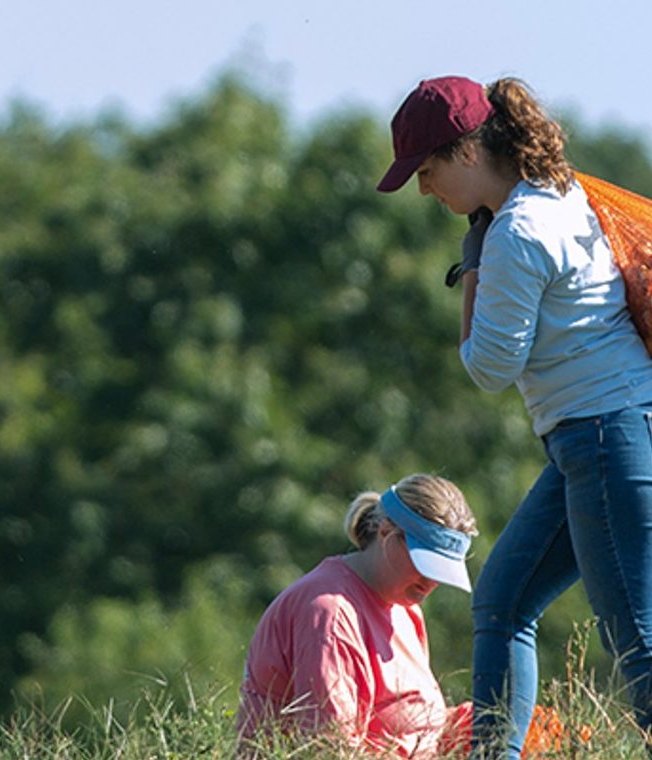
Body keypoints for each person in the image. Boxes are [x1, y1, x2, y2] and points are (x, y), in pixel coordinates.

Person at [378, 75, 652, 758]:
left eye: (427, 169)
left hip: (603, 435)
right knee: (500, 603)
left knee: (639, 642)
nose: (423, 188)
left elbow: (488, 368)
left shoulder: (515, 233)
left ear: (468, 153)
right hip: (599, 436)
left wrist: (472, 268)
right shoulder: (562, 194)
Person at [236, 474, 477, 759]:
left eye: (441, 572)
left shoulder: (407, 609)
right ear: (386, 533)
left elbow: (410, 726)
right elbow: (327, 747)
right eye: (425, 564)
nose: (431, 582)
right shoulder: (329, 614)